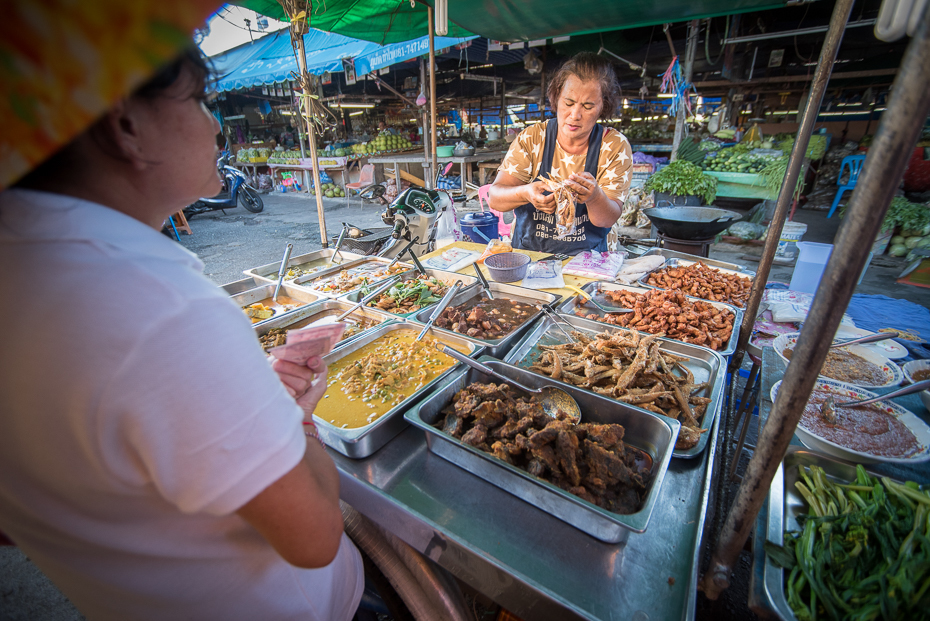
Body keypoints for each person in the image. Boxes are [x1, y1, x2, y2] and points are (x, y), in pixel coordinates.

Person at [0, 48, 363, 621]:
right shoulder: (160, 308)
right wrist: (296, 420)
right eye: (197, 100)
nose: (215, 123)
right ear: (126, 123)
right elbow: (316, 538)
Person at [487, 52, 633, 255]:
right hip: (530, 257)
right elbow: (494, 198)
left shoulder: (614, 146)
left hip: (588, 263)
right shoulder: (532, 138)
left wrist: (594, 196)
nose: (575, 115)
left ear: (603, 107)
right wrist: (526, 193)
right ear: (556, 98)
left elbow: (606, 219)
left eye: (588, 106)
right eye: (569, 103)